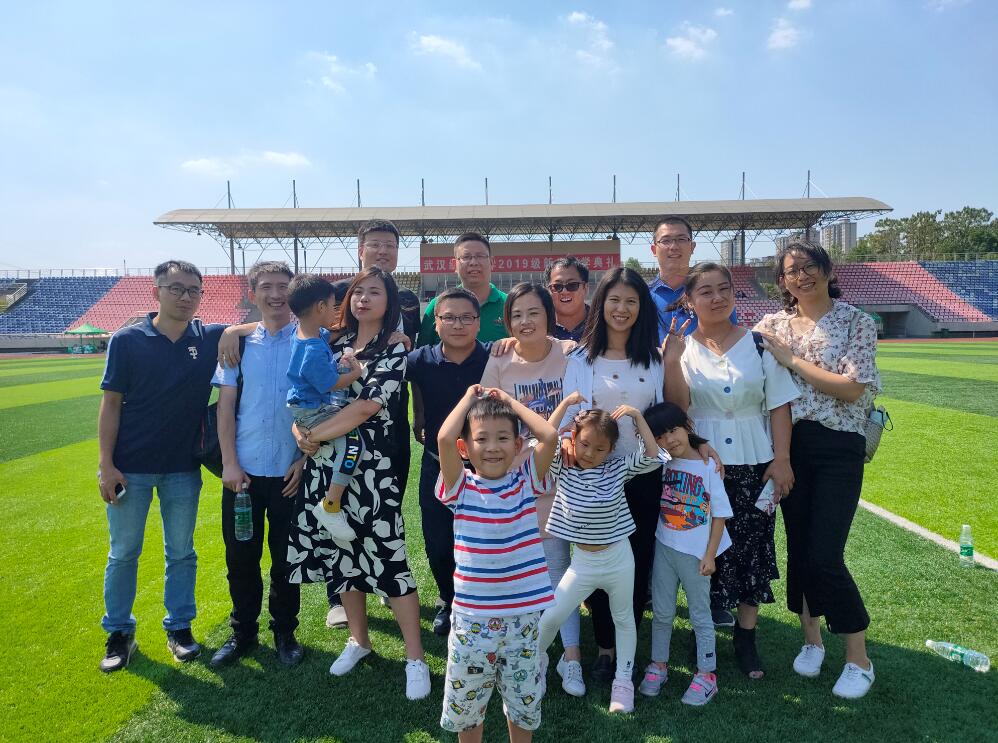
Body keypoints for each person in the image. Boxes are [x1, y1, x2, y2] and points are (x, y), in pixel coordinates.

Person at [286, 266, 430, 700]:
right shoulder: (332, 342)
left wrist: (313, 434)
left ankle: (415, 658)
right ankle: (359, 640)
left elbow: (367, 407)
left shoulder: (395, 347)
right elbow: (303, 396)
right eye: (358, 291)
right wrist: (300, 433)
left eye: (375, 292)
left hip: (372, 469)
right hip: (326, 465)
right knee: (342, 557)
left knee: (389, 556)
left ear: (390, 302)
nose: (364, 298)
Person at [755, 241, 881, 700]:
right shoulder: (771, 324)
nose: (801, 276)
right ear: (782, 281)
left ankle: (858, 658)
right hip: (788, 447)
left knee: (826, 554)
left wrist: (792, 361)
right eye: (791, 271)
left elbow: (852, 388)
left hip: (838, 446)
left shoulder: (856, 321)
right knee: (800, 549)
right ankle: (811, 640)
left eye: (810, 266)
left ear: (828, 270)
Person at [662, 262, 799, 677]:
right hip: (700, 464)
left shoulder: (758, 344)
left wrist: (782, 458)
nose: (717, 298)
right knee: (701, 548)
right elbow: (678, 409)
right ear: (689, 300)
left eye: (724, 289)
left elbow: (779, 405)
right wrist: (672, 361)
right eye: (705, 291)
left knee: (752, 547)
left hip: (755, 459)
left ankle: (746, 637)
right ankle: (702, 630)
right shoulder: (681, 348)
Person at [97, 260, 225, 672]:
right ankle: (120, 633)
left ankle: (179, 628)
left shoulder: (208, 338)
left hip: (183, 468)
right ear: (156, 292)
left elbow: (260, 328)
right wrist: (106, 465)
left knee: (181, 552)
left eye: (193, 290)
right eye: (176, 289)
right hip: (129, 467)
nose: (185, 297)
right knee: (123, 553)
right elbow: (110, 404)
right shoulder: (127, 340)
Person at [557, 266, 667, 683]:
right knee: (595, 559)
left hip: (641, 477)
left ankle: (627, 649)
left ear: (642, 308)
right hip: (592, 478)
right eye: (614, 300)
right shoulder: (581, 358)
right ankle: (605, 648)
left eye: (631, 301)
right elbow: (568, 418)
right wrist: (568, 444)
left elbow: (662, 418)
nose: (622, 309)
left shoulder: (653, 360)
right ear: (600, 304)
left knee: (636, 563)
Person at [436, 385, 559, 742]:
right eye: (481, 439)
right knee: (467, 707)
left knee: (523, 704)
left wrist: (509, 402)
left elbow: (548, 436)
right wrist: (468, 398)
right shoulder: (460, 487)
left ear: (518, 446)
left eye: (503, 438)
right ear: (465, 448)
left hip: (523, 622)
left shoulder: (526, 481)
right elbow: (444, 438)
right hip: (472, 622)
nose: (492, 447)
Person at [480, 282, 584, 695]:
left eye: (533, 312)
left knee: (562, 571)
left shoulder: (571, 353)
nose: (525, 322)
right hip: (519, 482)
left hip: (569, 476)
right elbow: (485, 416)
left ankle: (571, 657)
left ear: (549, 316)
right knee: (521, 574)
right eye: (517, 315)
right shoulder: (499, 359)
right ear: (507, 322)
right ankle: (533, 654)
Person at [539, 394, 666, 713]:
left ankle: (623, 683)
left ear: (611, 450)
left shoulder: (617, 468)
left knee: (623, 619)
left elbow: (652, 455)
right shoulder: (563, 466)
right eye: (584, 444)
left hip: (619, 559)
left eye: (600, 449)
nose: (590, 454)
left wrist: (637, 417)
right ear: (573, 439)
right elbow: (545, 437)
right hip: (583, 563)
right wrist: (566, 404)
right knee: (551, 616)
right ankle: (533, 665)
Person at [210, 261, 306, 668]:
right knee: (240, 559)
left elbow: (323, 406)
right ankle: (243, 633)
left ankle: (285, 632)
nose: (275, 294)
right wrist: (229, 465)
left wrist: (305, 459)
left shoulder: (309, 340)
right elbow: (225, 409)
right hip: (243, 475)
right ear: (252, 294)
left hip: (289, 472)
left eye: (283, 286)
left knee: (286, 560)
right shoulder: (239, 345)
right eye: (266, 286)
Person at [406, 287, 493, 637]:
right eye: (450, 317)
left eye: (467, 317)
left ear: (478, 322)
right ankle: (449, 599)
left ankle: (489, 600)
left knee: (489, 540)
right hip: (438, 463)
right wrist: (418, 413)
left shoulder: (495, 357)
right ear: (437, 322)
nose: (458, 324)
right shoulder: (419, 360)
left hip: (489, 468)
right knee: (439, 542)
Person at [639, 402, 732, 707]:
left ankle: (707, 674)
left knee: (700, 615)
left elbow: (720, 515)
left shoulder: (708, 466)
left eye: (673, 430)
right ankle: (658, 665)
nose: (669, 439)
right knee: (662, 612)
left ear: (687, 426)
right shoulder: (663, 462)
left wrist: (710, 555)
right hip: (665, 548)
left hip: (695, 555)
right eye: (660, 436)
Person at [285, 274, 364, 543]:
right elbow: (330, 384)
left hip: (304, 406)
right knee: (353, 444)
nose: (336, 312)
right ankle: (331, 505)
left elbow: (328, 332)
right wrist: (355, 373)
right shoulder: (313, 351)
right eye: (333, 306)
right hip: (313, 411)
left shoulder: (307, 334)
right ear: (320, 307)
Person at [647, 216, 736, 343]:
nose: (674, 246)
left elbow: (732, 337)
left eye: (681, 239)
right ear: (654, 250)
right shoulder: (642, 296)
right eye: (666, 240)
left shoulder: (713, 293)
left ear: (692, 247)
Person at [417, 232, 508, 346]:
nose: (474, 262)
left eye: (480, 256)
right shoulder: (437, 306)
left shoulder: (510, 305)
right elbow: (423, 351)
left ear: (492, 262)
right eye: (466, 257)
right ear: (454, 264)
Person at [544, 256, 590, 342]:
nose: (564, 291)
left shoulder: (602, 324)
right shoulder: (539, 328)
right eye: (557, 286)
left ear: (585, 288)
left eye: (572, 285)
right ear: (548, 291)